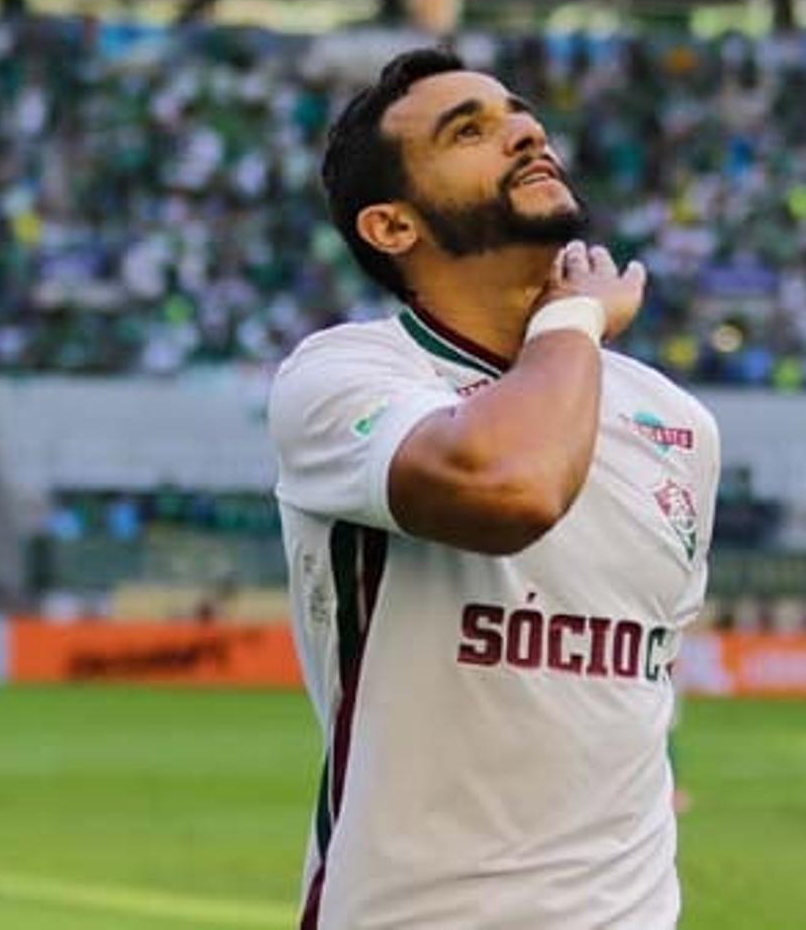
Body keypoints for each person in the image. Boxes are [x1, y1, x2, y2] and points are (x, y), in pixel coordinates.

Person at [268, 47, 721, 929]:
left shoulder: (677, 423)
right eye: (467, 131)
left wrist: (570, 331)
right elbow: (513, 489)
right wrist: (573, 318)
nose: (523, 130)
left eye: (519, 115)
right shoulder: (343, 378)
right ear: (392, 227)